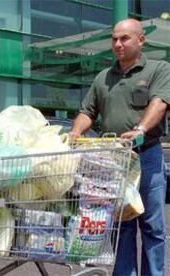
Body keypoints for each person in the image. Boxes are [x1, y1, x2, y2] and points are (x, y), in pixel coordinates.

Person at [70, 18, 169, 276]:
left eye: (124, 38)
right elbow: (87, 111)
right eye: (114, 39)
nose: (117, 44)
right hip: (113, 161)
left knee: (152, 225)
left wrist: (140, 129)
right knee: (121, 225)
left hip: (146, 155)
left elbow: (159, 103)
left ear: (140, 40)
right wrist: (76, 130)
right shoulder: (104, 77)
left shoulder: (159, 69)